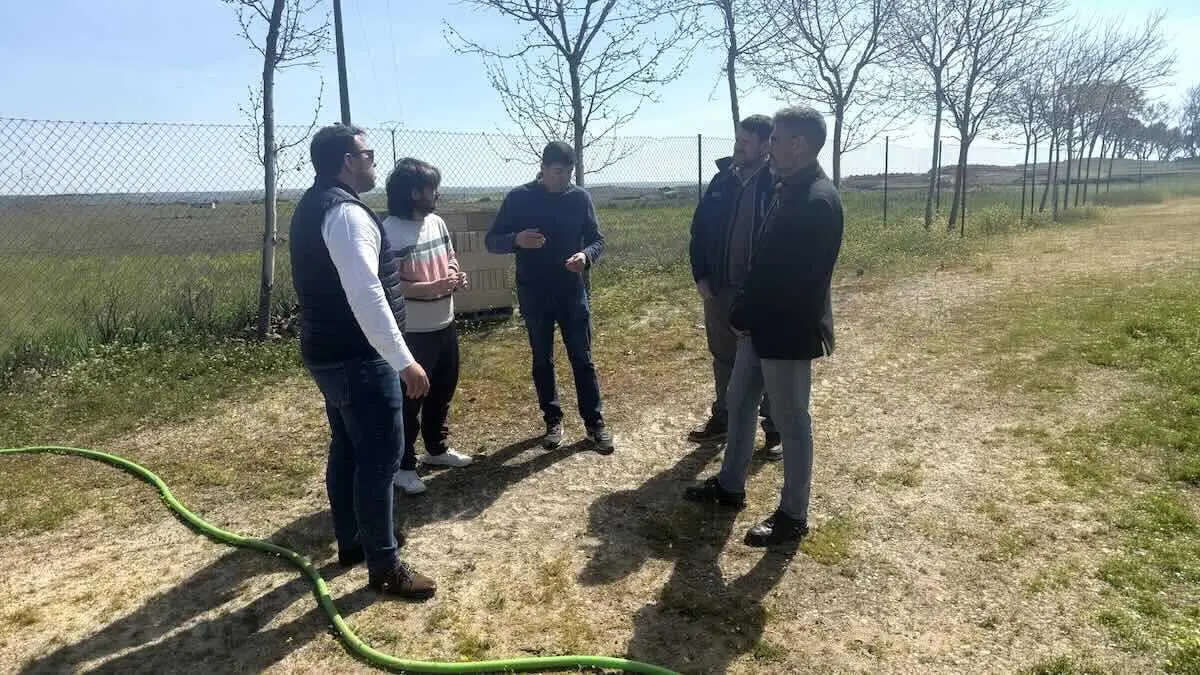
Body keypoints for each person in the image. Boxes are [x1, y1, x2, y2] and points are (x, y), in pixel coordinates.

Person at [683, 106, 845, 549]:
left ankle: (793, 515)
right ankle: (730, 486)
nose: (769, 147)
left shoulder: (815, 201)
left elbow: (793, 281)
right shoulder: (788, 188)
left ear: (799, 145)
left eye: (776, 139)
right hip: (759, 326)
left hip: (787, 331)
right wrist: (746, 314)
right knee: (739, 401)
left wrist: (745, 315)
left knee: (791, 420)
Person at [288, 123, 436, 599]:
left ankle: (354, 541)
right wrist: (404, 360)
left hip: (330, 352)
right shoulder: (347, 215)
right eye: (368, 154)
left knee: (348, 449)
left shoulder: (315, 203)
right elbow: (366, 293)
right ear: (348, 162)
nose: (374, 162)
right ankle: (385, 566)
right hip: (359, 357)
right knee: (379, 459)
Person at [484, 141, 614, 454]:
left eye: (569, 172)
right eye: (557, 172)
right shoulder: (519, 198)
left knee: (582, 358)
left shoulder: (580, 198)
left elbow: (597, 240)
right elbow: (492, 241)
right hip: (535, 293)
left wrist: (586, 255)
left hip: (571, 292)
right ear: (542, 168)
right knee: (542, 359)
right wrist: (516, 239)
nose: (563, 178)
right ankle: (553, 420)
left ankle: (594, 423)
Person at [687, 115, 781, 457]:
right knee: (723, 356)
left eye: (745, 141)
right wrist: (701, 276)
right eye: (738, 139)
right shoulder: (721, 180)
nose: (738, 146)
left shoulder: (777, 182)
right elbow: (699, 230)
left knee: (767, 358)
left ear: (766, 146)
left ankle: (774, 429)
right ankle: (724, 417)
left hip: (760, 292)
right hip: (719, 289)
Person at [381, 158, 475, 496]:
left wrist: (454, 275)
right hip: (413, 332)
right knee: (410, 401)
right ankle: (403, 466)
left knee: (442, 390)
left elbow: (450, 257)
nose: (437, 194)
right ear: (413, 193)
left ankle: (436, 449)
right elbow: (388, 285)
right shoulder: (389, 231)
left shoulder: (436, 222)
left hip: (445, 323)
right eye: (432, 188)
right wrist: (431, 287)